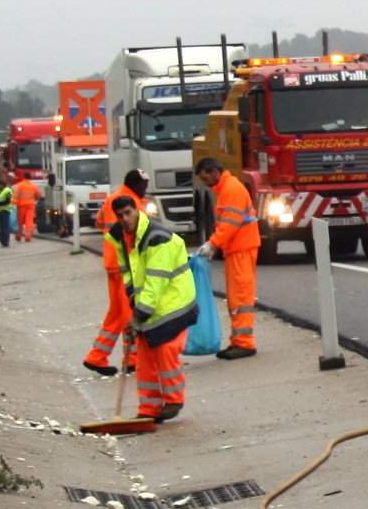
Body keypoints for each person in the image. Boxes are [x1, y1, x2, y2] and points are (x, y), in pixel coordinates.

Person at [112, 179, 197, 422]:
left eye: (128, 213)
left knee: (165, 349)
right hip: (152, 306)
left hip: (174, 304)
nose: (125, 219)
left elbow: (155, 281)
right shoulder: (125, 241)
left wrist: (139, 315)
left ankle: (173, 401)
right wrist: (133, 310)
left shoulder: (156, 239)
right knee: (145, 357)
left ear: (137, 210)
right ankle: (148, 409)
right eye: (120, 216)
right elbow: (130, 278)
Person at [82, 171, 147, 377]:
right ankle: (133, 359)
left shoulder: (112, 199)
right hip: (125, 265)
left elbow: (99, 223)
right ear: (135, 184)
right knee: (129, 312)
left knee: (117, 313)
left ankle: (97, 356)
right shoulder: (131, 203)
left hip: (113, 263)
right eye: (144, 184)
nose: (146, 188)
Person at [195, 156, 259, 360]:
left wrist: (212, 244)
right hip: (238, 248)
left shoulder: (231, 190)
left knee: (240, 297)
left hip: (241, 248)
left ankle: (244, 343)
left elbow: (229, 225)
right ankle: (238, 341)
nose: (206, 183)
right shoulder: (227, 189)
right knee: (236, 296)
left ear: (214, 172)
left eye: (206, 178)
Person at [11, 171, 42, 243]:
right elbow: (38, 195)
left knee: (20, 222)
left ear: (23, 177)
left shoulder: (19, 185)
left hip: (21, 206)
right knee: (29, 221)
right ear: (30, 178)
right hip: (31, 205)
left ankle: (18, 235)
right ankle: (28, 236)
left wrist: (13, 203)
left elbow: (15, 195)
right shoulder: (33, 186)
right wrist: (34, 199)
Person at [0, 175, 17, 248]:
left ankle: (5, 242)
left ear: (2, 184)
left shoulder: (7, 191)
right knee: (1, 227)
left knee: (4, 227)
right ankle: (2, 241)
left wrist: (0, 202)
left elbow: (8, 201)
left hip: (5, 210)